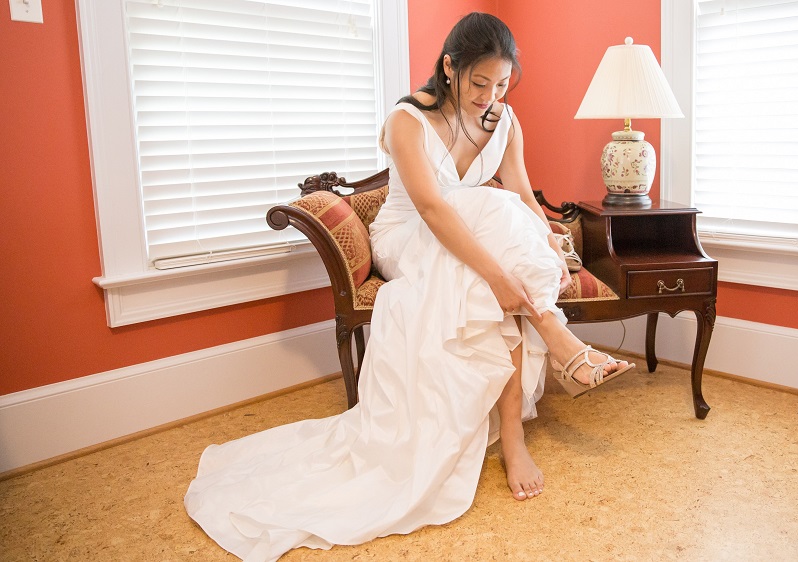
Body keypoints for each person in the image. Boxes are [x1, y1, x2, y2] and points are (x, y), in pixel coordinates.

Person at [184, 13, 634, 562]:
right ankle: (557, 345)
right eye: (478, 83)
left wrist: (553, 249)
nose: (490, 96)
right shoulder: (406, 121)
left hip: (465, 237)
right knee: (486, 245)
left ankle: (516, 430)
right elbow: (431, 208)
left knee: (494, 235)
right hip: (409, 236)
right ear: (450, 67)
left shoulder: (505, 120)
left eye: (501, 85)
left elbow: (519, 189)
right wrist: (501, 275)